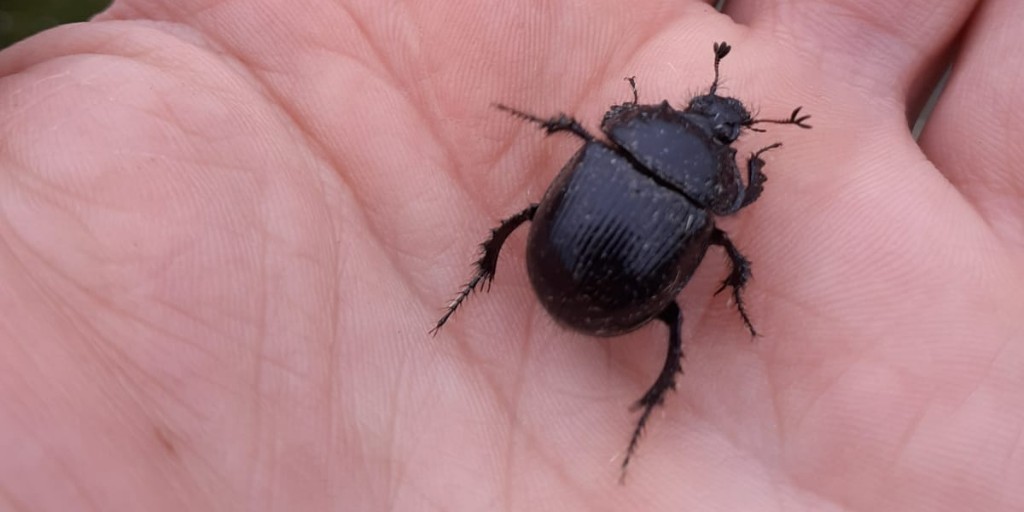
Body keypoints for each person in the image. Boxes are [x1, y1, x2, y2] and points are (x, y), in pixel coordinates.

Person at [0, 0, 1020, 509]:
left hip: (559, 256)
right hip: (613, 289)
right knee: (673, 311)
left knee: (560, 225)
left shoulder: (618, 137)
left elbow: (606, 123)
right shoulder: (708, 192)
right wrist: (754, 201)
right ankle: (636, 422)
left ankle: (523, 325)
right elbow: (729, 211)